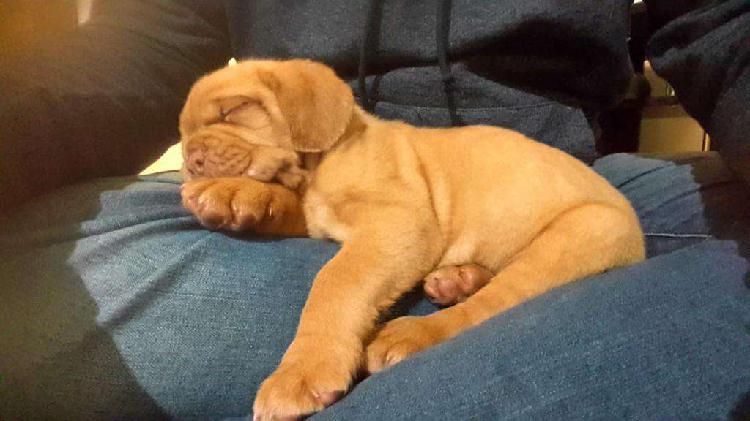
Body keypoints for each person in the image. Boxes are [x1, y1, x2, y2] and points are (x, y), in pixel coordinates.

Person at [1, 1, 749, 419]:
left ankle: (455, 331)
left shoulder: (350, 142)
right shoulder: (303, 158)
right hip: (378, 219)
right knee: (34, 277)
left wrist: (327, 327)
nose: (202, 148)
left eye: (232, 118)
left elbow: (726, 22)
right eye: (196, 136)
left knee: (716, 255)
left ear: (302, 106)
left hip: (568, 191)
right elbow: (146, 39)